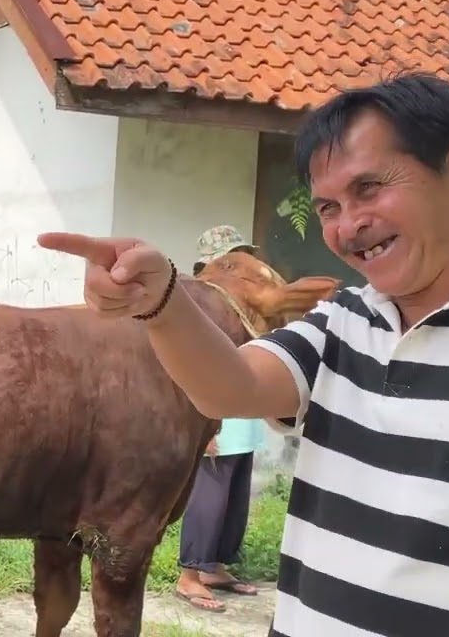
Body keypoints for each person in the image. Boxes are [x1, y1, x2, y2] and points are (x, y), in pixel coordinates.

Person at [39, 73, 449, 636]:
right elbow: (230, 387)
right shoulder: (344, 319)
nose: (348, 226)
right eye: (328, 207)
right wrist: (162, 300)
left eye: (369, 188)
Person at [175, 225, 266, 613]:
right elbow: (186, 362)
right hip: (214, 414)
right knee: (209, 497)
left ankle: (215, 567)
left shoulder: (238, 301)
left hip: (244, 413)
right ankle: (190, 575)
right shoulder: (195, 301)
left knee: (234, 499)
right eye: (232, 258)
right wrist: (202, 422)